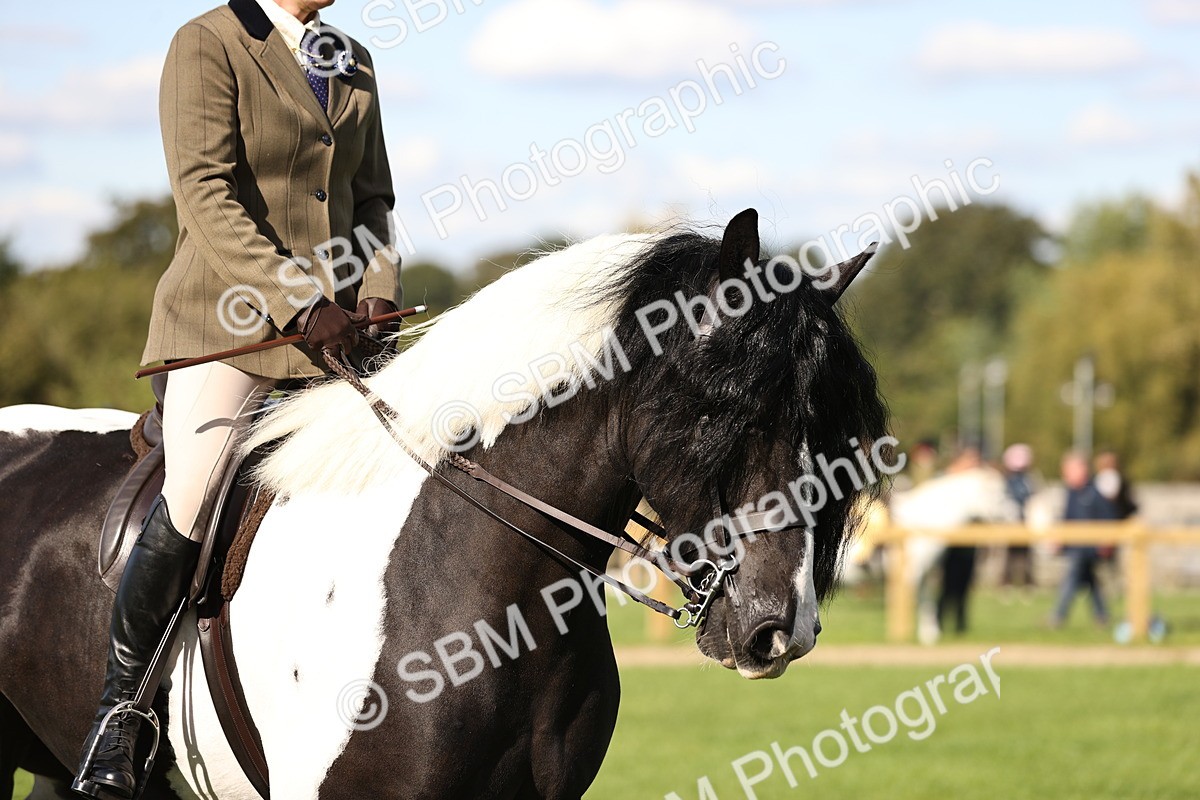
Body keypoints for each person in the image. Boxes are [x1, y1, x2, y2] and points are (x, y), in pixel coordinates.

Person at [72, 1, 401, 797]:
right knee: (195, 491)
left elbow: (373, 200)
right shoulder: (208, 44)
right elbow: (206, 195)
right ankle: (122, 715)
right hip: (230, 328)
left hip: (335, 336)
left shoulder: (350, 56)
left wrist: (379, 297)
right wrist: (299, 303)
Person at [1049, 451, 1116, 630]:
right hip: (1076, 546)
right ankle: (1102, 617)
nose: (1066, 474)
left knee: (1071, 579)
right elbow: (1066, 519)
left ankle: (1058, 616)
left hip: (1089, 548)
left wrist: (1106, 541)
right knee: (1091, 583)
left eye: (1071, 469)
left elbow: (1108, 519)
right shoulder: (1071, 492)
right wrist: (1059, 539)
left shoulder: (1095, 492)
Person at [1001, 443, 1037, 592]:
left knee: (1025, 555)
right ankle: (1008, 582)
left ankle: (1026, 583)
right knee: (1011, 555)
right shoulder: (1008, 481)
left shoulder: (1028, 479)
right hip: (1012, 522)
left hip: (1025, 521)